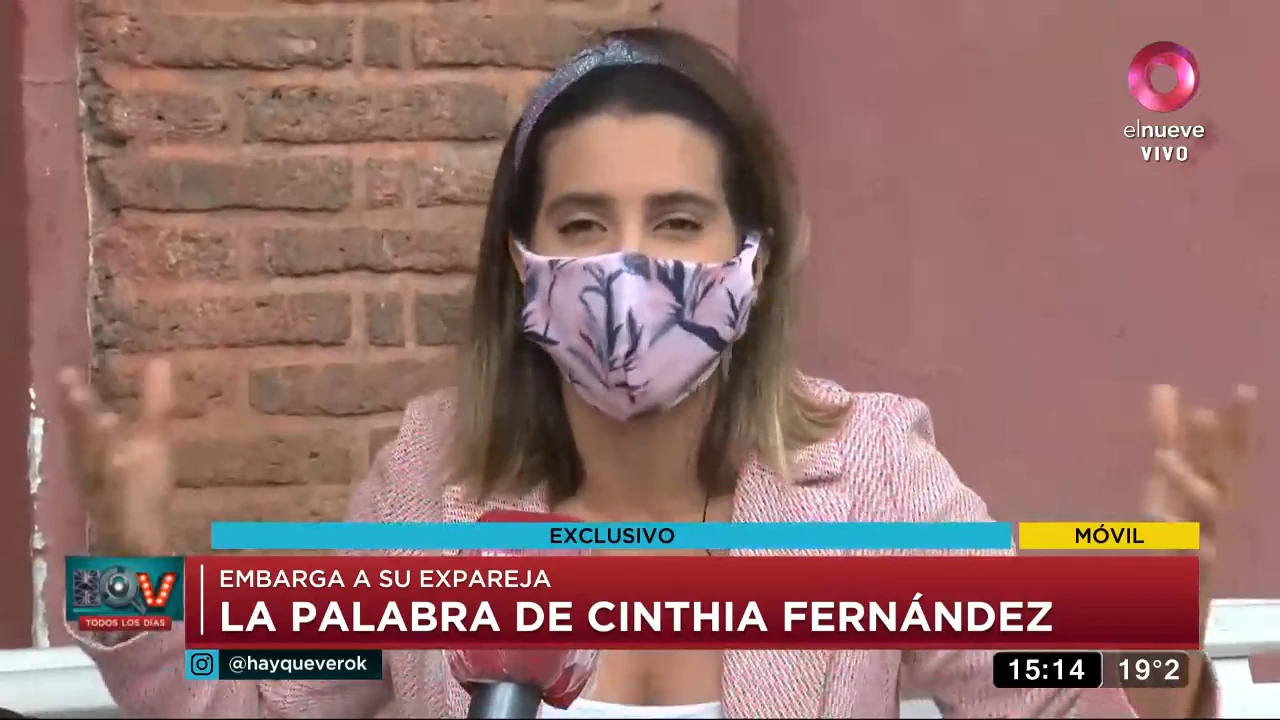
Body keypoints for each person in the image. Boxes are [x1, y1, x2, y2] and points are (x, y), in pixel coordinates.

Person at [61, 27, 1250, 719]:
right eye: (582, 225)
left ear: (749, 262)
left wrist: (1158, 637)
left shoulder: (874, 476)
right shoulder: (430, 481)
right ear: (522, 264)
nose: (627, 270)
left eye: (678, 223)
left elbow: (1055, 700)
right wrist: (129, 565)